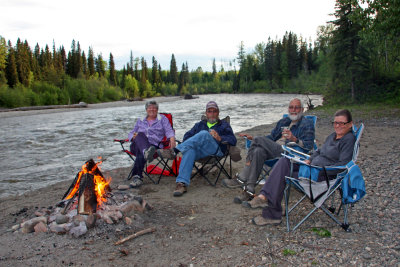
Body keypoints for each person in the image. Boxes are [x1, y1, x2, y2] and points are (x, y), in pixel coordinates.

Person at [245, 109, 356, 226]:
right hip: (311, 167)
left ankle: (271, 212)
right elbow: (319, 152)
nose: (338, 126)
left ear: (350, 124)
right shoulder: (332, 136)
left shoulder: (348, 140)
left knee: (281, 175)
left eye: (342, 123)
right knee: (284, 161)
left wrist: (320, 168)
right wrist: (310, 159)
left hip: (320, 175)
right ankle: (264, 197)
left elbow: (343, 165)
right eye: (335, 123)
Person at [222, 98, 315, 202]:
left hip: (289, 154)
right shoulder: (284, 121)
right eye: (291, 107)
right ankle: (249, 190)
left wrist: (294, 139)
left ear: (302, 109)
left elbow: (309, 146)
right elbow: (271, 138)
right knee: (258, 151)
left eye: (296, 107)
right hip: (275, 151)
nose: (293, 110)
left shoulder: (307, 124)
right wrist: (253, 138)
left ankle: (243, 176)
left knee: (258, 140)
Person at [156, 101, 237, 196]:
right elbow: (186, 136)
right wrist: (194, 142)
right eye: (209, 111)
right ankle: (181, 183)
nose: (212, 113)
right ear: (206, 113)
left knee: (204, 134)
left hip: (216, 150)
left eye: (214, 111)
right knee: (190, 150)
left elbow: (233, 140)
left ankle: (175, 151)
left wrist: (220, 138)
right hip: (200, 152)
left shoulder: (224, 125)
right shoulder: (199, 125)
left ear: (218, 112)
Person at [127, 100, 176, 188]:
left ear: (157, 110)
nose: (152, 109)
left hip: (154, 147)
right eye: (150, 108)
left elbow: (169, 130)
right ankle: (146, 151)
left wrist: (172, 137)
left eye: (154, 108)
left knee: (141, 151)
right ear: (146, 110)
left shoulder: (162, 119)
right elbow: (131, 133)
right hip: (137, 145)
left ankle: (137, 177)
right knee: (140, 135)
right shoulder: (140, 120)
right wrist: (133, 137)